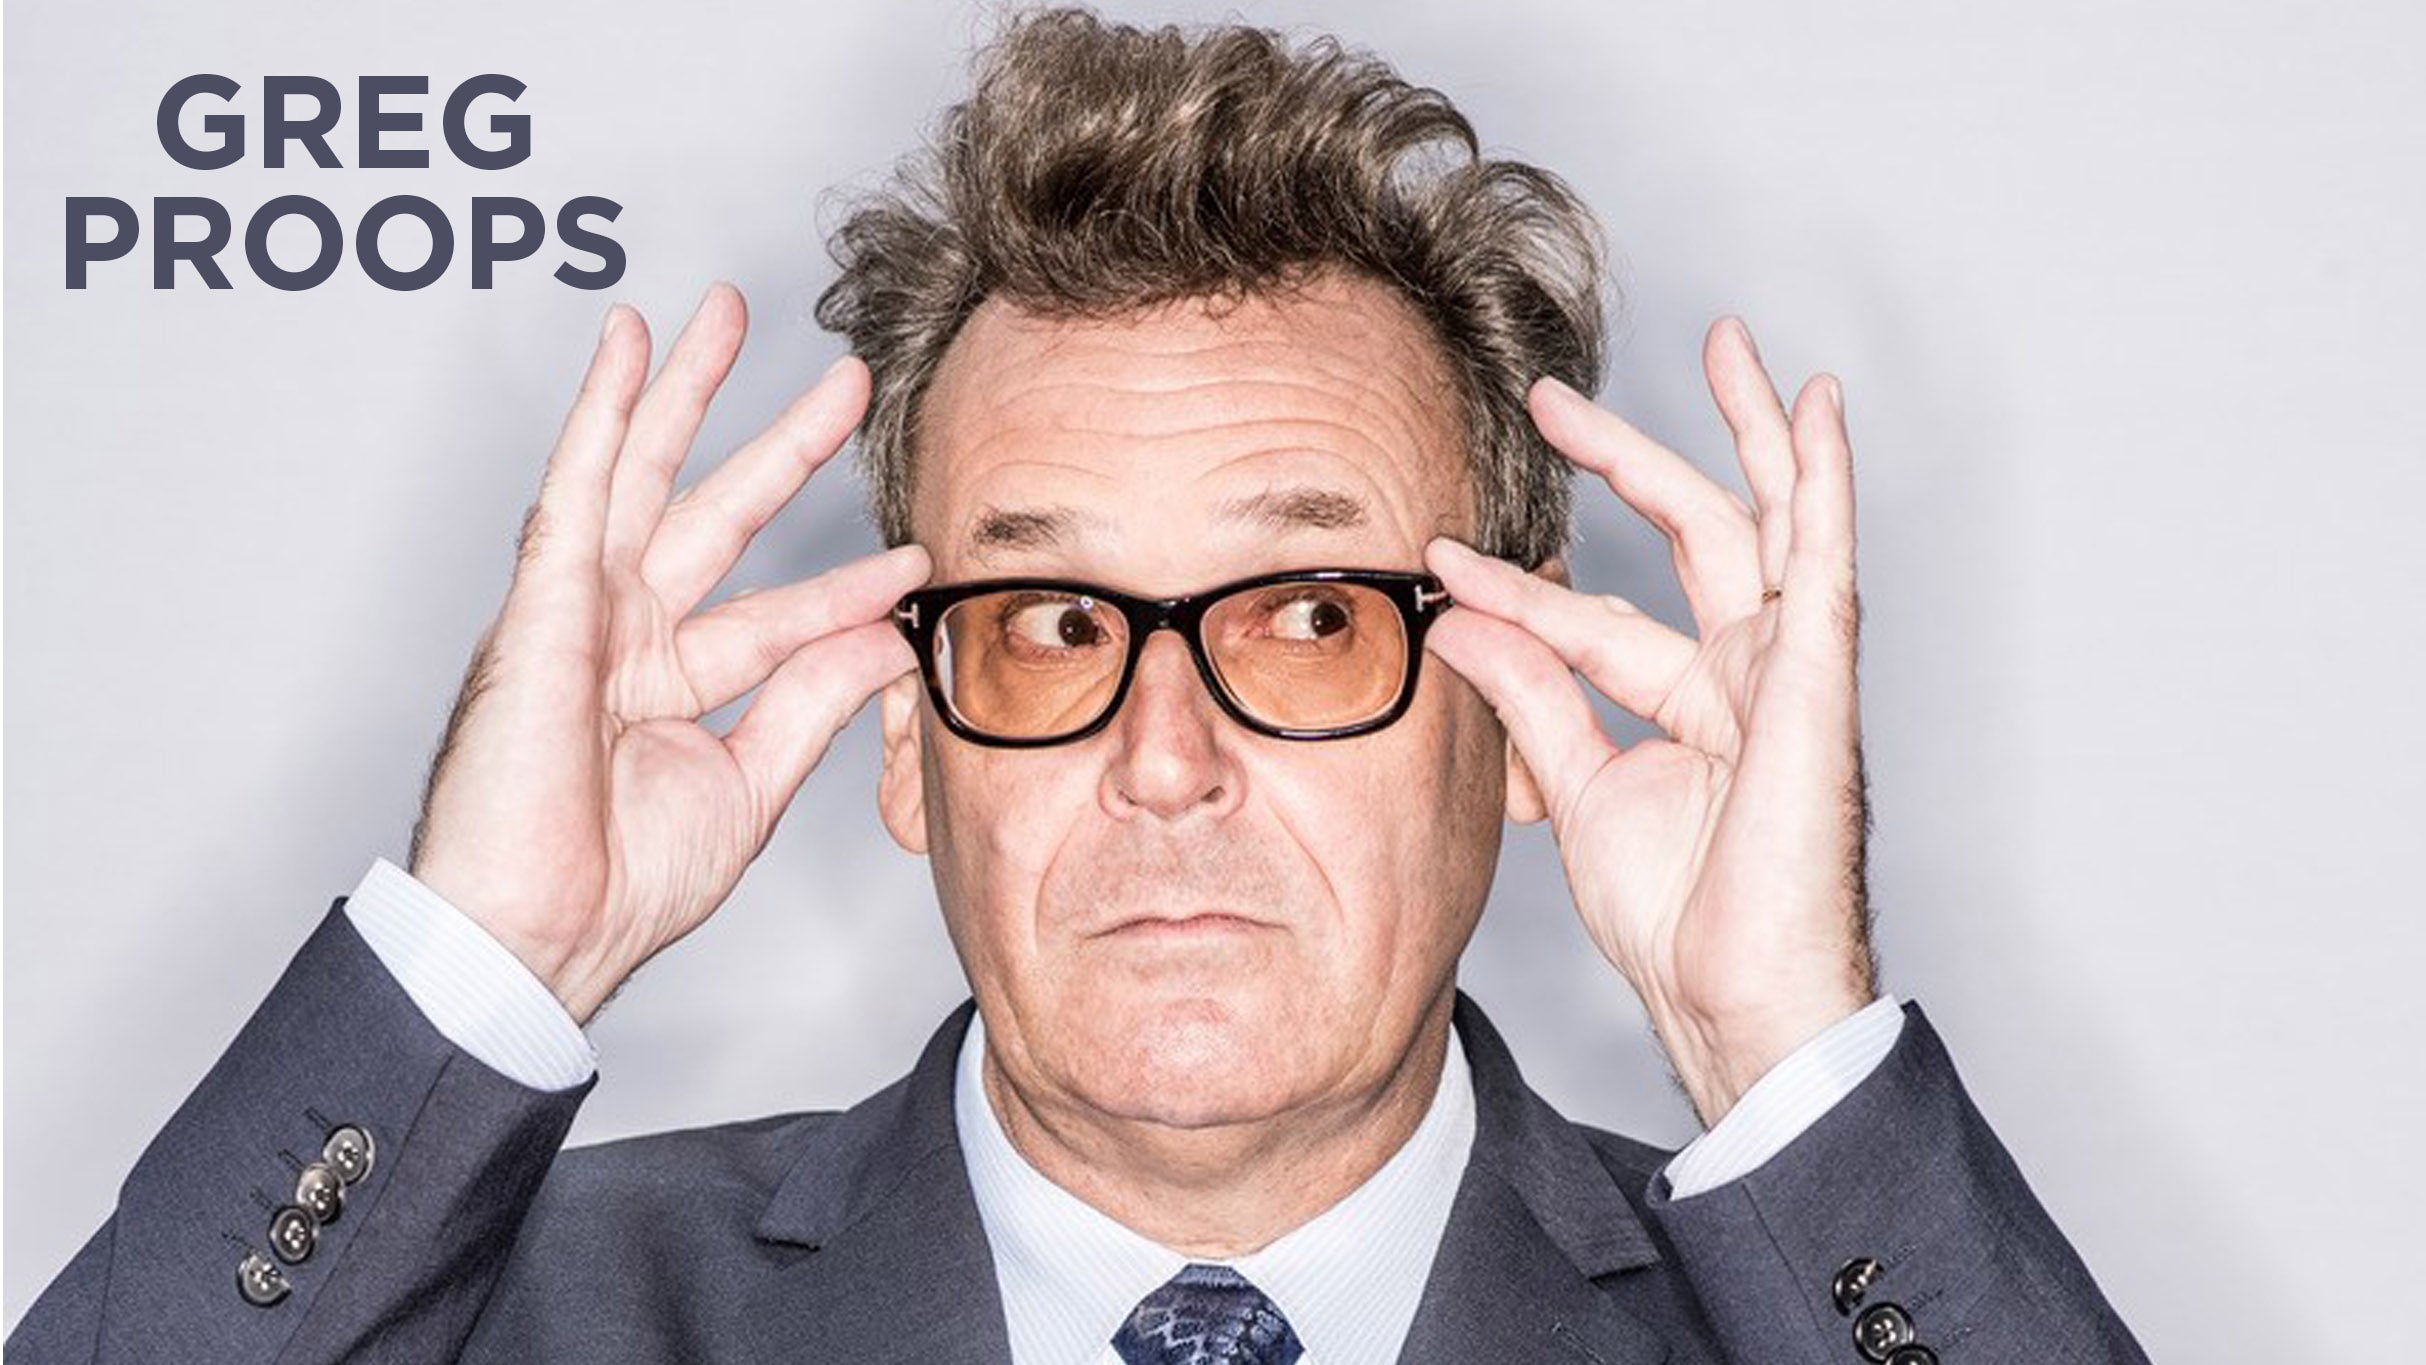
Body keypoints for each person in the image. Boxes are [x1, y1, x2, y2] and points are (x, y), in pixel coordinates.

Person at [8, 8, 2148, 1363]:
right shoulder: (498, 1302)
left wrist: (1775, 1048)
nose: (1163, 759)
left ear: (1518, 708)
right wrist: (490, 949)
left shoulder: (1818, 1306)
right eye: (1047, 624)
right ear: (906, 737)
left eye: (1307, 613)